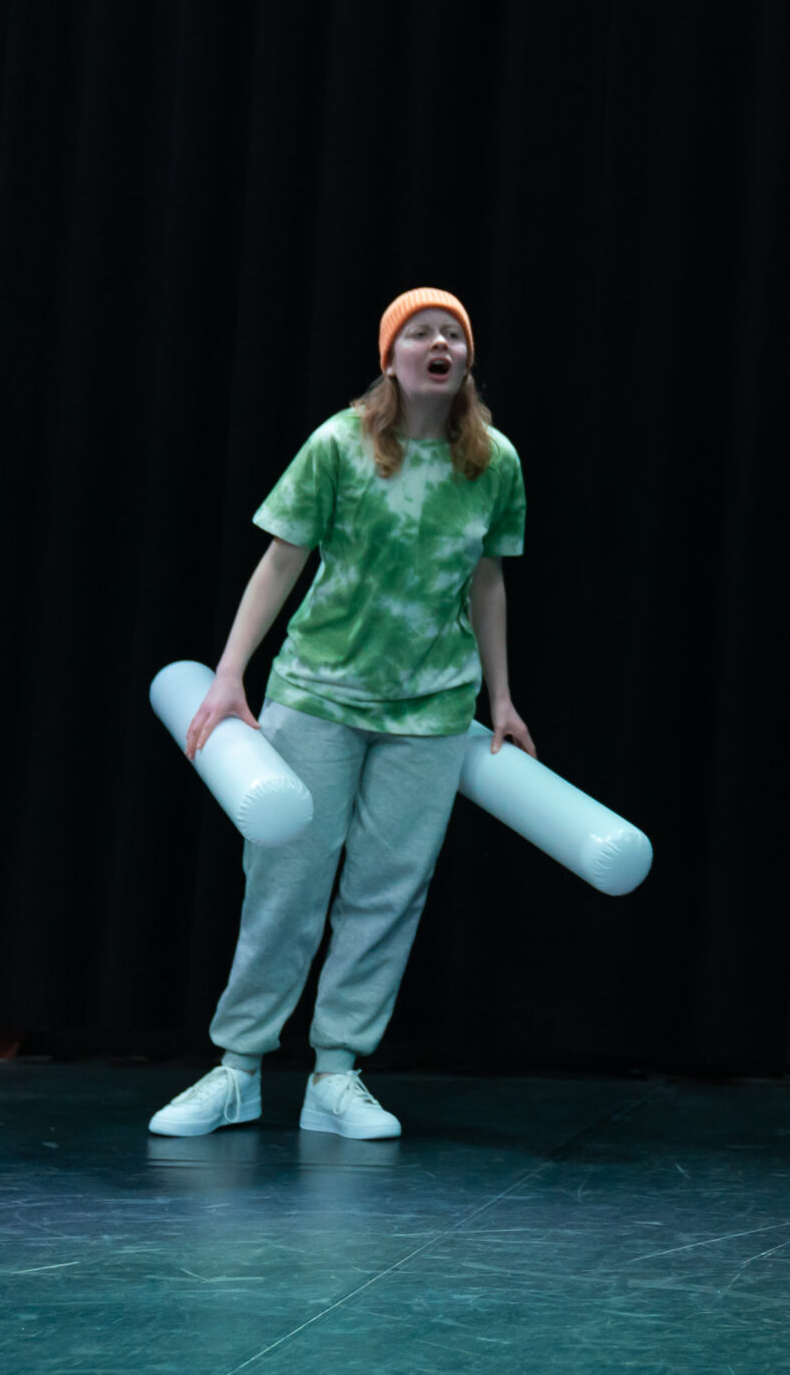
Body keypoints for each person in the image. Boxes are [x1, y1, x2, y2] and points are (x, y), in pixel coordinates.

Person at [149, 289, 531, 1143]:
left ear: (467, 358)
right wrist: (229, 674)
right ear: (392, 357)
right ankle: (238, 1067)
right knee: (283, 884)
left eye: (455, 333)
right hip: (318, 692)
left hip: (432, 708)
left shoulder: (492, 460)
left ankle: (337, 1071)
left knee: (387, 893)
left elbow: (489, 581)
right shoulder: (339, 444)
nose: (441, 343)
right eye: (422, 332)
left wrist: (500, 699)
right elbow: (282, 556)